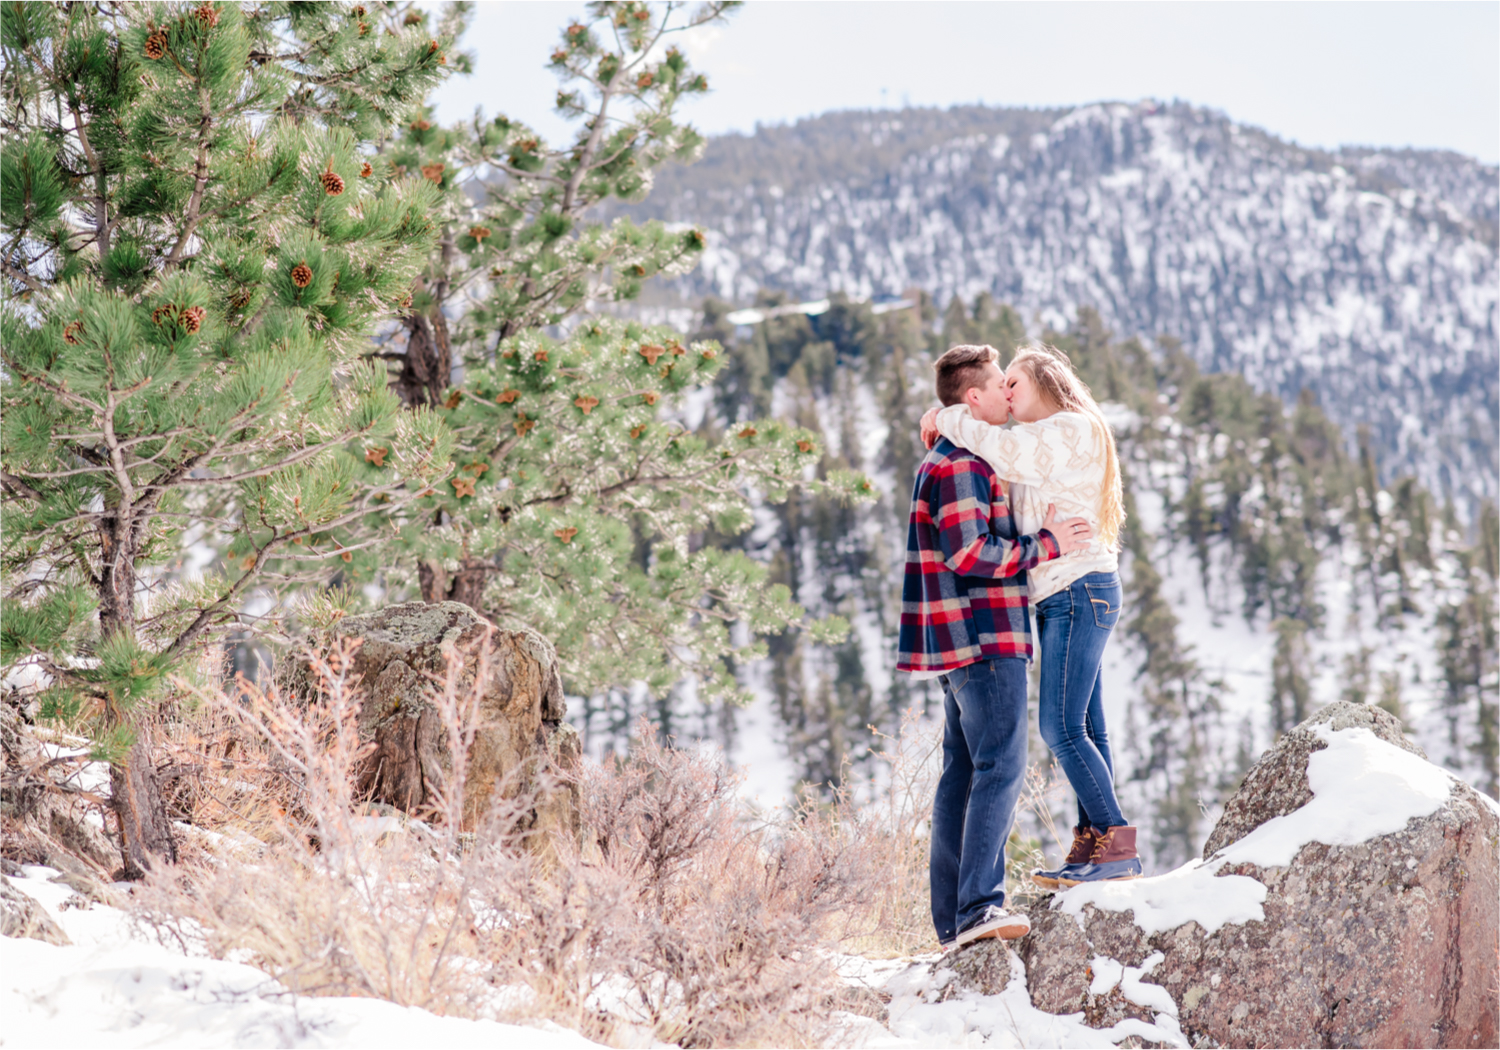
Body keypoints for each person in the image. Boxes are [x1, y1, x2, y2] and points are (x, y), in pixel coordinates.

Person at [920, 343, 1140, 888]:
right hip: (1064, 593)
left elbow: (1006, 453)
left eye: (1015, 382)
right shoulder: (1040, 437)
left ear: (1046, 382)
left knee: (1059, 727)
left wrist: (945, 415)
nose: (1009, 393)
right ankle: (1095, 850)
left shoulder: (1071, 428)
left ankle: (1115, 844)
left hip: (1078, 588)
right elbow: (1003, 460)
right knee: (1088, 725)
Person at [899, 344, 1096, 948]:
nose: (1007, 401)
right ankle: (980, 908)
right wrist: (1048, 543)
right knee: (1000, 765)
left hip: (958, 637)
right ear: (972, 398)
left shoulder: (957, 456)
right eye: (997, 387)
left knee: (963, 771)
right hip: (983, 635)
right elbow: (971, 553)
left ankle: (954, 919)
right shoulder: (962, 462)